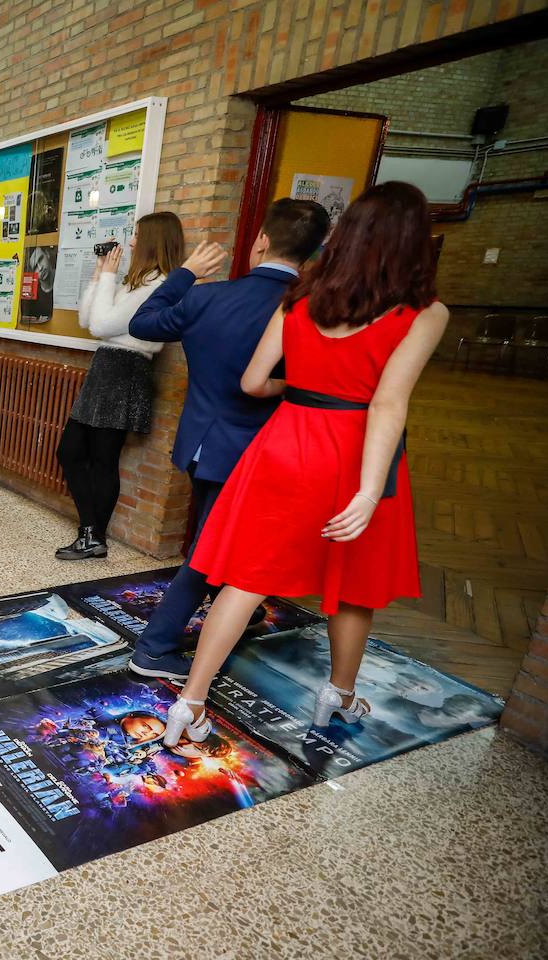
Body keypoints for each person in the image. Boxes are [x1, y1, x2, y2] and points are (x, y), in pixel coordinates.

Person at [161, 182, 447, 747]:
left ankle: (189, 703)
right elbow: (389, 403)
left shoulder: (300, 300)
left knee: (245, 577)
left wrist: (309, 386)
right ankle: (336, 695)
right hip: (357, 451)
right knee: (352, 584)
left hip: (284, 442)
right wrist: (368, 492)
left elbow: (253, 381)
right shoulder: (423, 314)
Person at [124, 198, 330, 681]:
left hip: (199, 443)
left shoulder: (206, 296)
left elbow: (142, 322)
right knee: (208, 550)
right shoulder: (310, 311)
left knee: (214, 539)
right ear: (316, 252)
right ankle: (154, 648)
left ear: (261, 240)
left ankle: (236, 608)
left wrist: (186, 274)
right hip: (257, 453)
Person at [54, 213, 184, 559]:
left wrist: (109, 276)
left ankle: (92, 535)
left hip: (125, 370)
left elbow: (100, 325)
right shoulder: (135, 281)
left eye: (137, 236)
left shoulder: (160, 284)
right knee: (70, 451)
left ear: (154, 240)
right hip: (106, 367)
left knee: (103, 460)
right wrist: (100, 276)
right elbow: (87, 320)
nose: (130, 242)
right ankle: (92, 532)